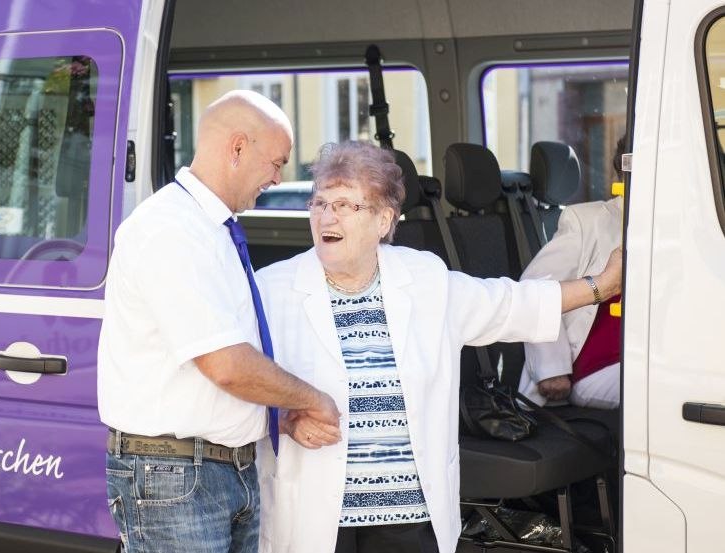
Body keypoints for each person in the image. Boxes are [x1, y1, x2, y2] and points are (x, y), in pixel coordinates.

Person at [253, 141, 622, 553]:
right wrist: (282, 418)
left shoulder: (425, 278)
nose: (327, 216)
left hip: (410, 514)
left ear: (383, 220)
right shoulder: (271, 289)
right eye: (319, 203)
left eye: (346, 205)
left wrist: (599, 288)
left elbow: (511, 303)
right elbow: (233, 379)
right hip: (314, 515)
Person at [97, 90, 342, 553]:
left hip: (215, 472)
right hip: (176, 478)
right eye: (275, 162)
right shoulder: (172, 229)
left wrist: (277, 411)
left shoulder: (212, 228)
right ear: (236, 148)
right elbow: (226, 364)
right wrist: (311, 398)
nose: (277, 178)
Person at [518, 136, 626, 409]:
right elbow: (534, 286)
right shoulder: (588, 220)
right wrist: (552, 369)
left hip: (649, 357)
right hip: (596, 367)